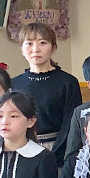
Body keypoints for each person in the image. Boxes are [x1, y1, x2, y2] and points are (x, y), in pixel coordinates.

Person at [13, 21, 82, 166]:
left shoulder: (68, 82)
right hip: (22, 148)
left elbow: (70, 123)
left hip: (58, 150)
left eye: (42, 43)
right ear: (22, 49)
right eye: (29, 43)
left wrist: (55, 155)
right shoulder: (14, 84)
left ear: (53, 48)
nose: (35, 49)